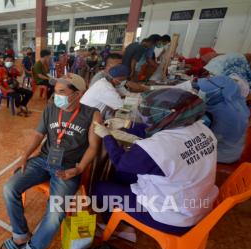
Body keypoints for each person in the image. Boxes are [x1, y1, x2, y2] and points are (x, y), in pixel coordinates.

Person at [0, 74, 101, 249]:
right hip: (43, 159)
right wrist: (24, 156)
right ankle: (20, 235)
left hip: (68, 168)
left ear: (78, 94)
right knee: (9, 187)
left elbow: (94, 146)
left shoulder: (93, 114)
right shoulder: (50, 109)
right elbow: (39, 135)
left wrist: (79, 168)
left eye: (62, 92)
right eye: (56, 91)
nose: (57, 96)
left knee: (56, 213)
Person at [92, 88, 218, 236]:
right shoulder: (202, 128)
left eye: (149, 114)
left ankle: (118, 229)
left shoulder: (158, 147)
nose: (145, 117)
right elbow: (163, 129)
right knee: (122, 176)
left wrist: (107, 136)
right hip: (197, 201)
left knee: (99, 188)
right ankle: (122, 215)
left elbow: (121, 161)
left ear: (169, 114)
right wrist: (128, 125)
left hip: (173, 218)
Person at [197, 76, 250, 163]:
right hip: (230, 147)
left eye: (206, 91)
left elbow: (210, 140)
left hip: (224, 153)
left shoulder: (227, 113)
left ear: (219, 91)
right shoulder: (232, 102)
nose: (203, 93)